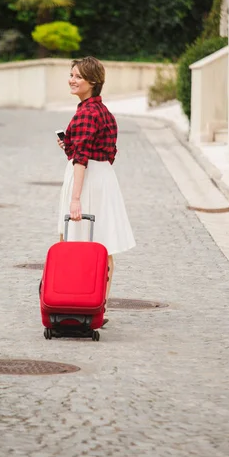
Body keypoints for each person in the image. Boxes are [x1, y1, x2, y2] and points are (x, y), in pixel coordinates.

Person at [57, 56, 136, 322]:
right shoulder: (103, 112)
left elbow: (81, 158)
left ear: (93, 82)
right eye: (71, 74)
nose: (72, 79)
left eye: (78, 76)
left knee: (74, 242)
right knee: (103, 246)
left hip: (88, 180)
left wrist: (76, 199)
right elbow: (107, 152)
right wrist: (70, 146)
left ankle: (76, 303)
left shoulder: (87, 113)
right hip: (103, 178)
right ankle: (98, 307)